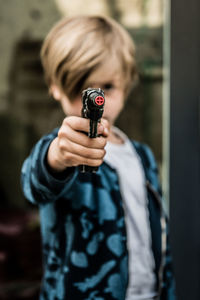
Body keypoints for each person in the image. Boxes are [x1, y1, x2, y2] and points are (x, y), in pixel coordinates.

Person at [21, 15, 176, 300]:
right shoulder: (63, 148)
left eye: (107, 86)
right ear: (55, 86)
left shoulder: (142, 156)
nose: (94, 100)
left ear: (128, 84)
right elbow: (35, 182)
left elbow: (159, 235)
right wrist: (57, 156)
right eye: (82, 87)